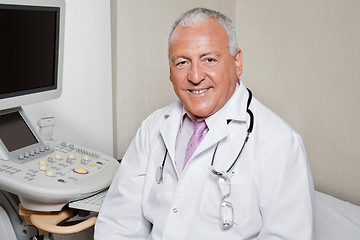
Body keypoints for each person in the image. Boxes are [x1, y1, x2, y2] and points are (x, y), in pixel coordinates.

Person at [94, 7, 314, 239]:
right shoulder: (153, 127)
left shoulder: (280, 143)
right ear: (170, 71)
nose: (196, 76)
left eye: (209, 59)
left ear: (237, 62)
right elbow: (118, 223)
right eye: (182, 63)